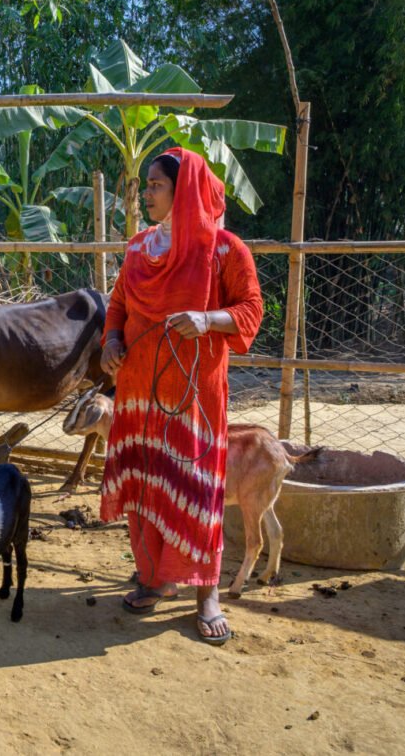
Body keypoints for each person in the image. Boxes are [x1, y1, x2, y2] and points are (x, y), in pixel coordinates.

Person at [99, 148, 264, 645]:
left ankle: (206, 593)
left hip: (192, 399)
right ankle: (155, 576)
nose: (145, 193)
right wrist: (110, 342)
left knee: (195, 488)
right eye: (146, 185)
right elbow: (119, 305)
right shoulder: (137, 249)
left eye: (155, 185)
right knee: (147, 484)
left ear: (183, 190)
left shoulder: (225, 251)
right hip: (137, 395)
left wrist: (207, 320)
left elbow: (251, 310)